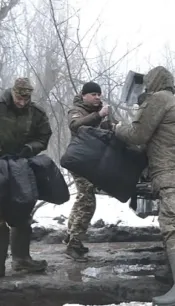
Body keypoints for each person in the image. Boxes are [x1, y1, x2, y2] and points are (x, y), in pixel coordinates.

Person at [114, 66, 175, 306]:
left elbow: (137, 134)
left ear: (153, 82)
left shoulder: (159, 98)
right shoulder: (168, 99)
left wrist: (115, 128)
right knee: (171, 223)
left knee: (174, 225)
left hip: (173, 172)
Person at [0, 77, 53, 280]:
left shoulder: (36, 113)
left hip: (22, 167)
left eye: (26, 98)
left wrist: (29, 149)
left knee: (22, 212)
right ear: (13, 92)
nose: (22, 102)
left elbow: (44, 137)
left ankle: (21, 260)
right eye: (19, 98)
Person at [64, 81, 117, 262]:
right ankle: (74, 244)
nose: (97, 97)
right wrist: (98, 115)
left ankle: (71, 236)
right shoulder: (77, 110)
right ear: (84, 95)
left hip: (91, 161)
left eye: (98, 94)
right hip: (78, 161)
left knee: (82, 197)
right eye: (93, 94)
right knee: (87, 201)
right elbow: (76, 126)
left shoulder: (102, 111)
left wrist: (112, 124)